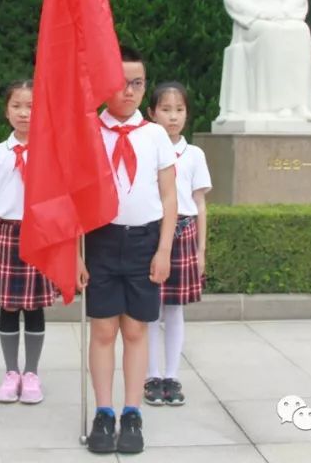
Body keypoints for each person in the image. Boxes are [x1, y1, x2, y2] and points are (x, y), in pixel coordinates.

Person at [84, 46, 177, 455]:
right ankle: (104, 412)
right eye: (120, 82)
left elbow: (170, 197)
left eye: (137, 83)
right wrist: (73, 256)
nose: (129, 90)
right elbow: (72, 197)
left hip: (144, 242)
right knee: (104, 329)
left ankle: (132, 412)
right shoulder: (89, 131)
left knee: (136, 329)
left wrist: (164, 250)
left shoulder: (155, 134)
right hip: (101, 240)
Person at [0, 80, 55, 404]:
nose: (24, 113)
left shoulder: (49, 150)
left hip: (38, 233)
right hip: (4, 234)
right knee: (8, 306)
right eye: (17, 106)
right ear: (7, 111)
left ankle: (31, 373)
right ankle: (11, 373)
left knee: (34, 307)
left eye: (31, 106)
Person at [144, 82, 212, 407]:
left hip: (184, 234)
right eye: (166, 110)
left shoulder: (194, 154)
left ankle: (172, 375)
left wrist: (200, 250)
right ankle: (151, 376)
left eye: (179, 110)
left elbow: (200, 205)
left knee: (174, 310)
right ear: (151, 113)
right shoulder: (145, 149)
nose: (173, 117)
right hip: (152, 233)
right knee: (148, 310)